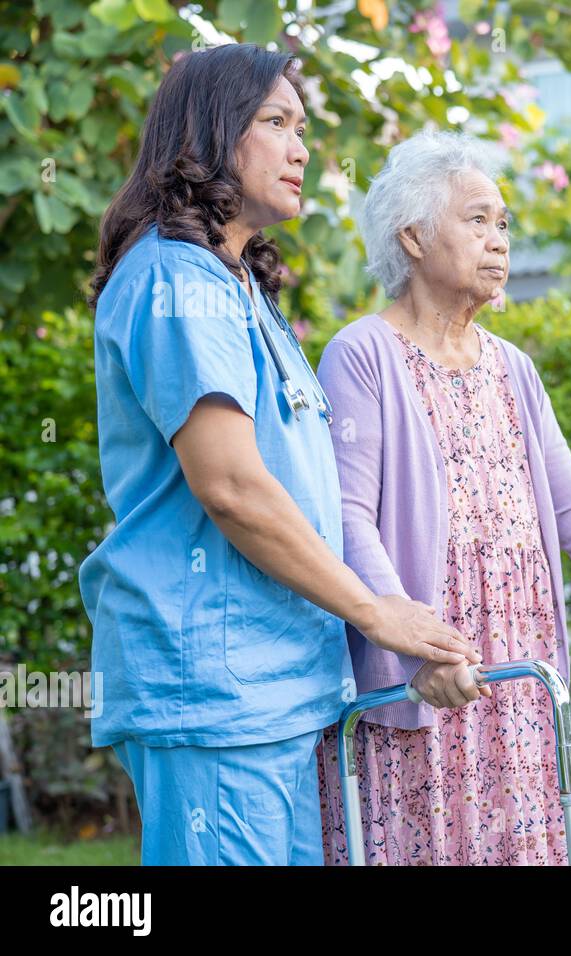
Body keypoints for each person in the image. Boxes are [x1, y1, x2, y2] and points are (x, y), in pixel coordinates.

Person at [78, 44, 476, 866]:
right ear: (211, 132)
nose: (302, 149)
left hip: (278, 691)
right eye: (277, 123)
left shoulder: (238, 287)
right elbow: (230, 487)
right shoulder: (174, 278)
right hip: (214, 693)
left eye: (305, 128)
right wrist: (376, 610)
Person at [314, 129, 571, 865]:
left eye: (503, 222)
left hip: (517, 679)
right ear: (412, 236)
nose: (498, 238)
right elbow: (346, 517)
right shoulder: (362, 355)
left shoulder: (514, 369)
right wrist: (412, 646)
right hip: (429, 677)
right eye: (476, 219)